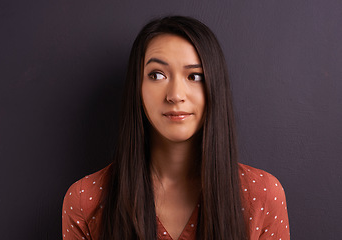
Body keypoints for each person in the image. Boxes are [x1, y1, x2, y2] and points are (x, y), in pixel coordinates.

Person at [62, 16, 290, 240]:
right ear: (137, 88)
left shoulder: (262, 195)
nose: (175, 95)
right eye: (157, 75)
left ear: (214, 87)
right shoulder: (86, 200)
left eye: (195, 76)